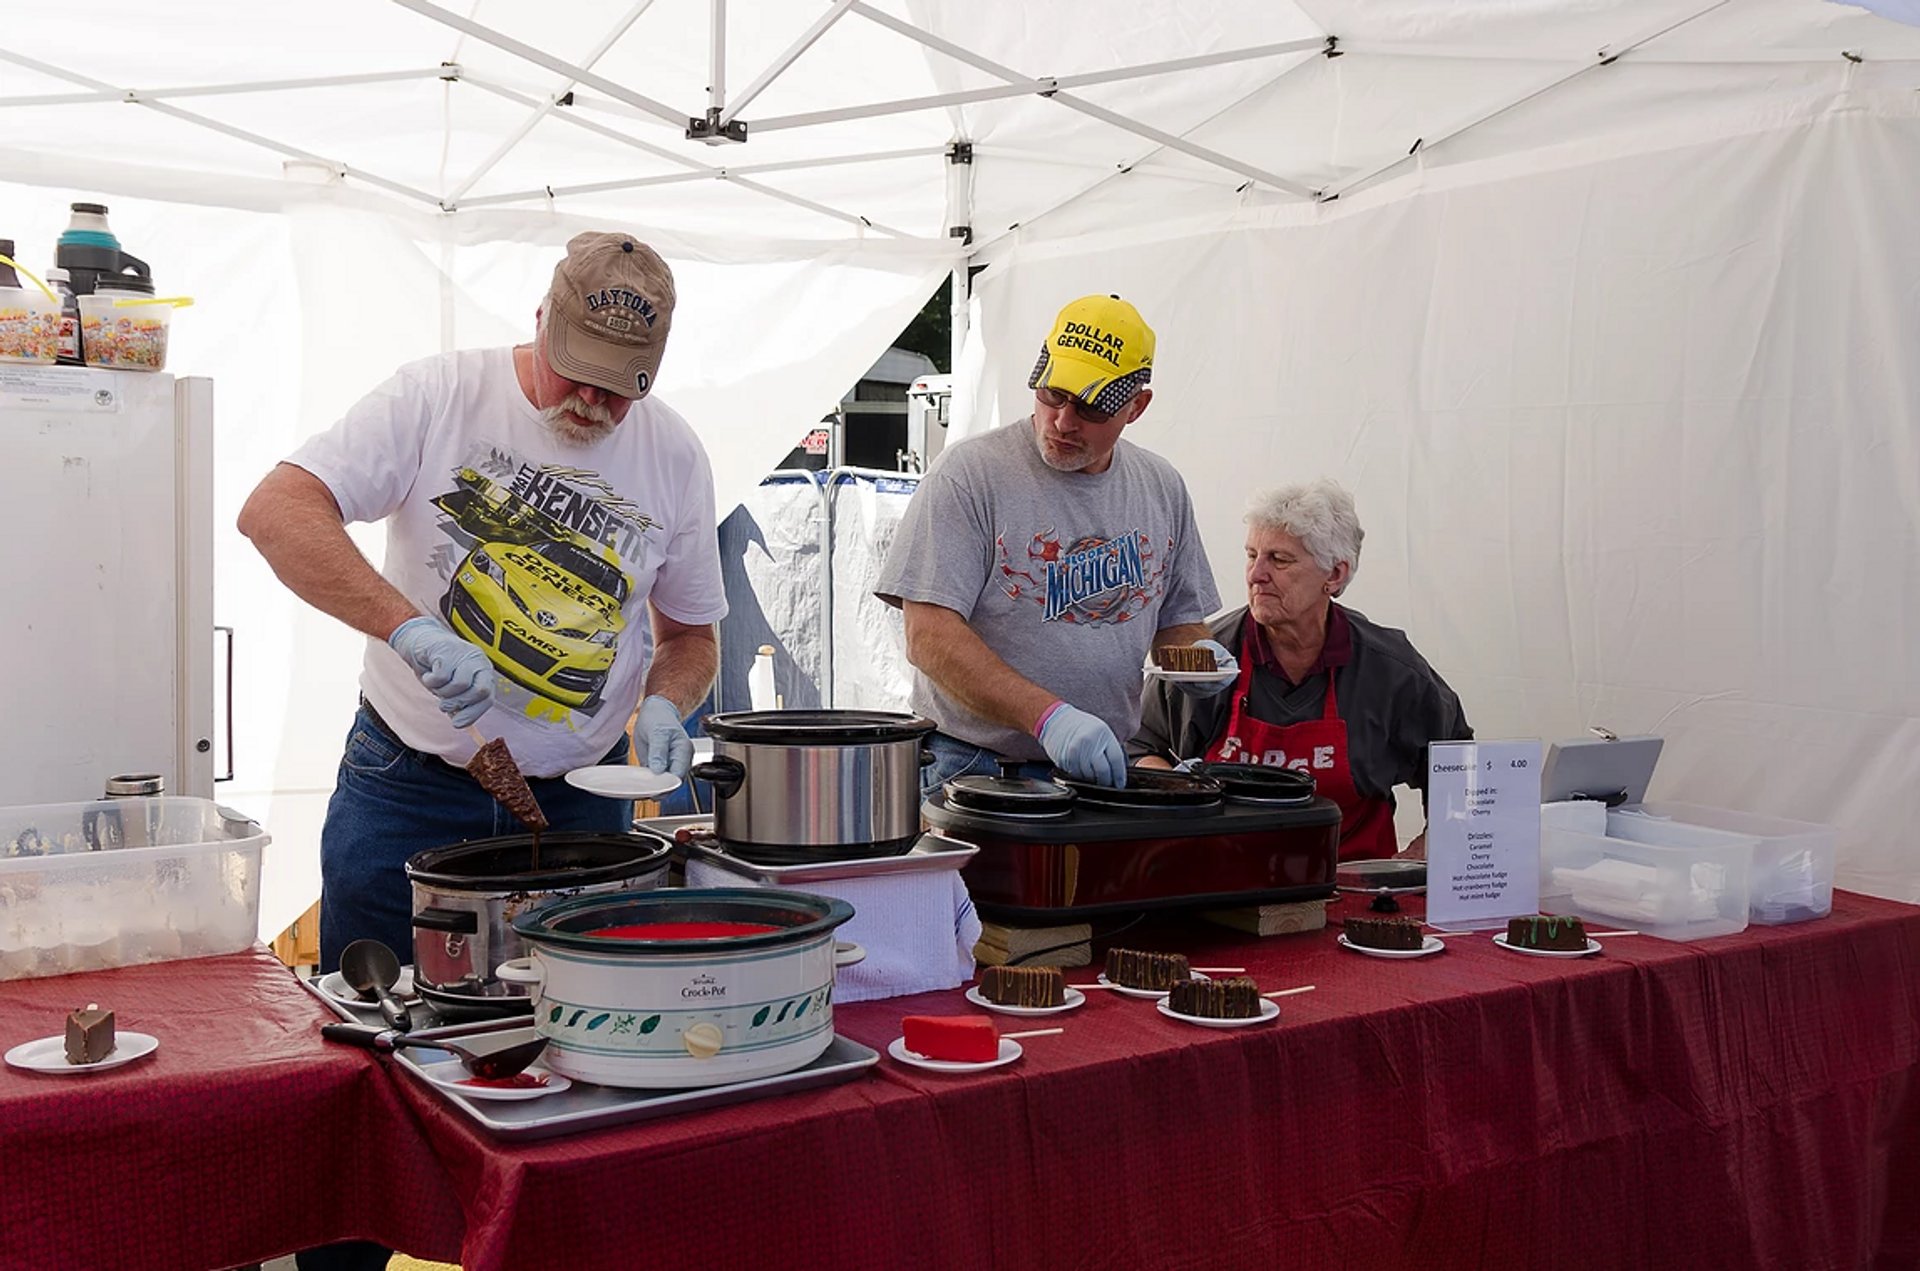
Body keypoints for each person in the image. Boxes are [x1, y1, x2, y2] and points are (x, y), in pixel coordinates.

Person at [238, 231, 726, 978]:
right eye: (577, 374)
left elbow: (691, 633)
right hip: (410, 785)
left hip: (582, 802)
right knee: (379, 1010)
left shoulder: (676, 456)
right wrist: (410, 631)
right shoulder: (438, 396)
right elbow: (276, 510)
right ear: (540, 321)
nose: (592, 402)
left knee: (574, 1013)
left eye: (619, 386)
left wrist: (668, 701)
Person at [875, 293, 1233, 795]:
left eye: (1090, 407)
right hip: (975, 766)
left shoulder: (1161, 487)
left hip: (1104, 767)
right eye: (1052, 394)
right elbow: (929, 636)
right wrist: (1048, 718)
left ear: (1137, 406)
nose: (1064, 422)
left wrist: (1199, 662)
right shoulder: (972, 474)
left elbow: (1175, 628)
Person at [1131, 479, 1469, 860]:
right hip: (1223, 877)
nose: (1256, 574)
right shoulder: (1208, 660)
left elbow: (1461, 768)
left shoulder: (1390, 671)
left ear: (1335, 575)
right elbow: (1137, 745)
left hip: (1352, 888)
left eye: (1279, 559)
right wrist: (1177, 785)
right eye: (1251, 554)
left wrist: (1429, 847)